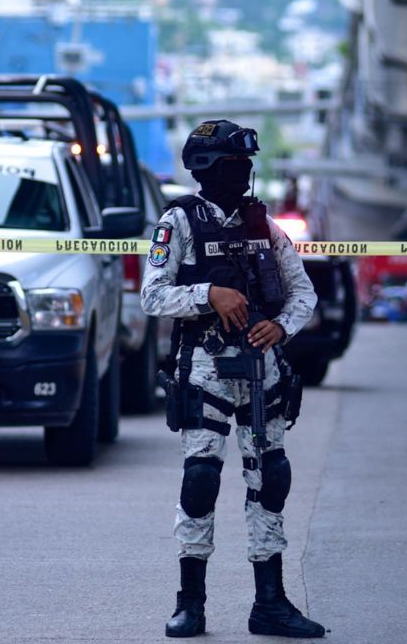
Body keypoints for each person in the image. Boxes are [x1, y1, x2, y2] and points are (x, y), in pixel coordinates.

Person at [141, 120, 324, 639]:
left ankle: (271, 602)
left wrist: (281, 327)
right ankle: (190, 603)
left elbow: (302, 293)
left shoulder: (264, 225)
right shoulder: (177, 222)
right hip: (205, 367)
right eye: (232, 164)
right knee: (200, 480)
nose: (242, 173)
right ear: (208, 168)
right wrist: (208, 295)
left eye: (246, 164)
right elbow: (152, 296)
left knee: (271, 481)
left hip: (263, 371)